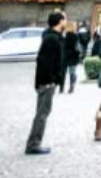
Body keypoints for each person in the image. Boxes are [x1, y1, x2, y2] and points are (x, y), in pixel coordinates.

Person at [25, 9, 67, 155]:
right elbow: (44, 62)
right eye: (65, 19)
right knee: (42, 114)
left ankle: (34, 143)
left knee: (43, 113)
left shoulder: (53, 36)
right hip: (46, 83)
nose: (66, 21)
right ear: (60, 21)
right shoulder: (51, 38)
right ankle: (33, 145)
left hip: (47, 81)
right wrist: (49, 81)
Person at [62, 20, 83, 94]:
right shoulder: (75, 35)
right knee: (72, 72)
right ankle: (72, 86)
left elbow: (64, 46)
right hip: (74, 56)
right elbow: (77, 47)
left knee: (63, 72)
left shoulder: (65, 35)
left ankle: (61, 87)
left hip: (66, 56)